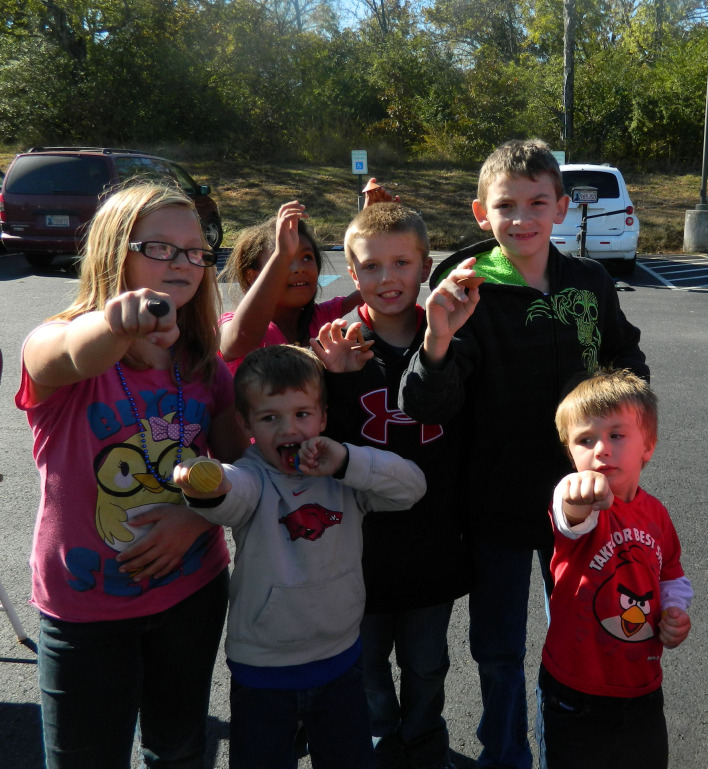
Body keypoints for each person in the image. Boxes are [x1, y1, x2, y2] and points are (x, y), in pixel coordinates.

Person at [398, 138, 648, 769]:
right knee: (500, 649)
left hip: (587, 502)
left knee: (580, 632)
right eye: (506, 205)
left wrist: (628, 435)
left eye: (538, 201)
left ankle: (567, 751)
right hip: (499, 506)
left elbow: (628, 363)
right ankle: (505, 756)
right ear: (481, 212)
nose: (523, 217)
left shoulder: (588, 282)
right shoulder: (465, 290)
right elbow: (429, 405)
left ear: (562, 208)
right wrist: (437, 338)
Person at [17, 183, 246, 768]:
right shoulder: (55, 343)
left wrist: (196, 520)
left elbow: (238, 470)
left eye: (196, 251)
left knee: (178, 748)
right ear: (115, 253)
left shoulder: (203, 364)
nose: (185, 263)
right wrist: (119, 323)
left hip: (192, 594)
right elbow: (68, 352)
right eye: (160, 247)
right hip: (85, 612)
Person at [173, 344, 427, 769]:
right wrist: (209, 483)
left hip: (340, 661)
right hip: (263, 671)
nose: (288, 429)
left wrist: (347, 459)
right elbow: (234, 493)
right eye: (270, 418)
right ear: (245, 423)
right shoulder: (254, 474)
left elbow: (412, 487)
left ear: (323, 417)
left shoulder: (343, 474)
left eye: (302, 414)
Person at [312, 202, 472, 769]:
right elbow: (319, 437)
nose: (388, 278)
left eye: (401, 262)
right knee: (368, 660)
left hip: (433, 540)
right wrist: (333, 381)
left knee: (428, 661)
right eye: (371, 267)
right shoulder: (338, 345)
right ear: (351, 274)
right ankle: (381, 738)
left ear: (426, 266)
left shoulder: (450, 336)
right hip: (360, 546)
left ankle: (425, 740)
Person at [538, 369, 692, 769]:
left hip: (642, 688)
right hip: (575, 693)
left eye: (616, 435)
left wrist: (676, 610)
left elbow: (671, 572)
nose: (601, 450)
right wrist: (574, 494)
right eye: (585, 440)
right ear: (570, 452)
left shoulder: (656, 513)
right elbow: (569, 513)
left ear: (649, 445)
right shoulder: (580, 505)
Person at [219, 200, 362, 373]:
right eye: (284, 260)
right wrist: (281, 254)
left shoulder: (326, 318)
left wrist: (369, 230)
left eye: (307, 257)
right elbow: (238, 341)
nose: (299, 268)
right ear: (253, 277)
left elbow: (374, 291)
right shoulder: (233, 324)